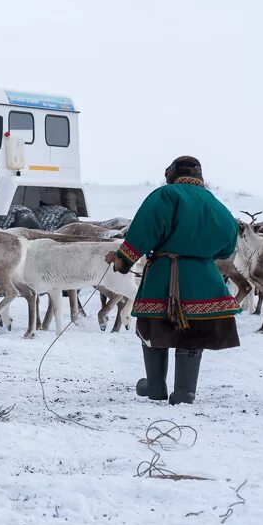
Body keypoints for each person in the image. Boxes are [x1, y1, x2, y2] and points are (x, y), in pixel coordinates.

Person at [106, 155, 240, 405]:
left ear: (171, 173)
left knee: (154, 328)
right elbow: (228, 246)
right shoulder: (215, 203)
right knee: (193, 333)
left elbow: (144, 230)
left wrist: (122, 260)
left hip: (164, 275)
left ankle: (155, 386)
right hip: (204, 278)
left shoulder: (166, 195)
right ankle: (185, 391)